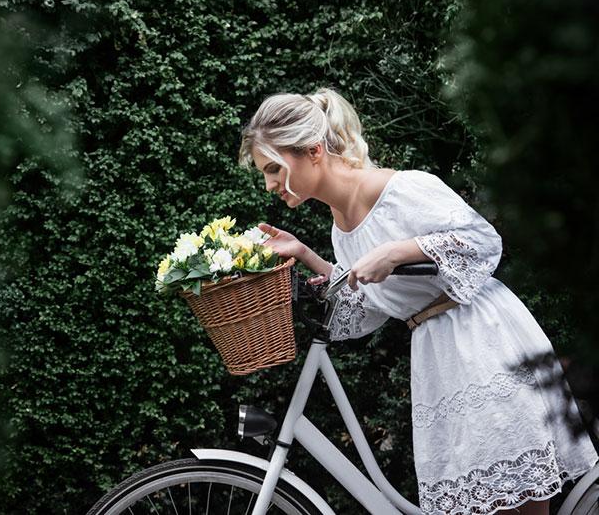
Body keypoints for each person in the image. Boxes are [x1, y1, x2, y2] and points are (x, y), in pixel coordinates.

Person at [237, 87, 599, 515]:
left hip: (481, 339)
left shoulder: (401, 190)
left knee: (516, 502)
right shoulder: (340, 229)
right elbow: (366, 308)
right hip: (436, 358)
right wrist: (304, 253)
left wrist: (397, 251)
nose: (270, 185)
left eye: (274, 169)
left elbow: (483, 242)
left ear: (313, 151)